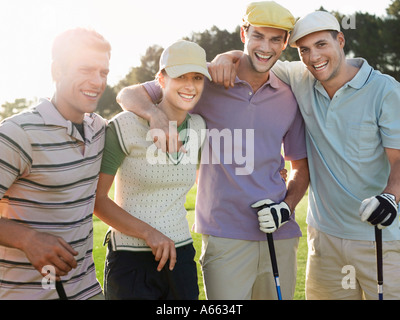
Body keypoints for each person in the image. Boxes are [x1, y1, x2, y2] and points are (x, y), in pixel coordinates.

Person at [117, 1, 309, 300]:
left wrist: (287, 207)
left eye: (275, 39)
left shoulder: (290, 95)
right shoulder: (203, 80)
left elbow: (300, 166)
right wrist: (155, 117)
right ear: (243, 34)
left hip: (280, 236)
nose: (265, 46)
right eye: (258, 35)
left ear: (286, 43)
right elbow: (128, 94)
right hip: (224, 236)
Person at [211, 10, 400, 300]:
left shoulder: (385, 90)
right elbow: (260, 57)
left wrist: (390, 195)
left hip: (382, 240)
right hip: (324, 240)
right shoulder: (300, 77)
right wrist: (228, 56)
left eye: (321, 45)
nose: (314, 57)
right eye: (304, 50)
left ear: (340, 40)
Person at [94, 40, 210, 300]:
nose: (190, 85)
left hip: (181, 256)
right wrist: (149, 234)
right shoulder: (124, 126)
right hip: (130, 261)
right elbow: (97, 200)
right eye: (181, 77)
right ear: (161, 78)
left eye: (197, 78)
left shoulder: (200, 128)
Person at [0, 28, 110, 299]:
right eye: (85, 69)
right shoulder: (18, 134)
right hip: (25, 294)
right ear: (57, 71)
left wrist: (228, 59)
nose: (97, 81)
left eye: (103, 72)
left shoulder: (99, 129)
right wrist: (27, 239)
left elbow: (159, 89)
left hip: (87, 290)